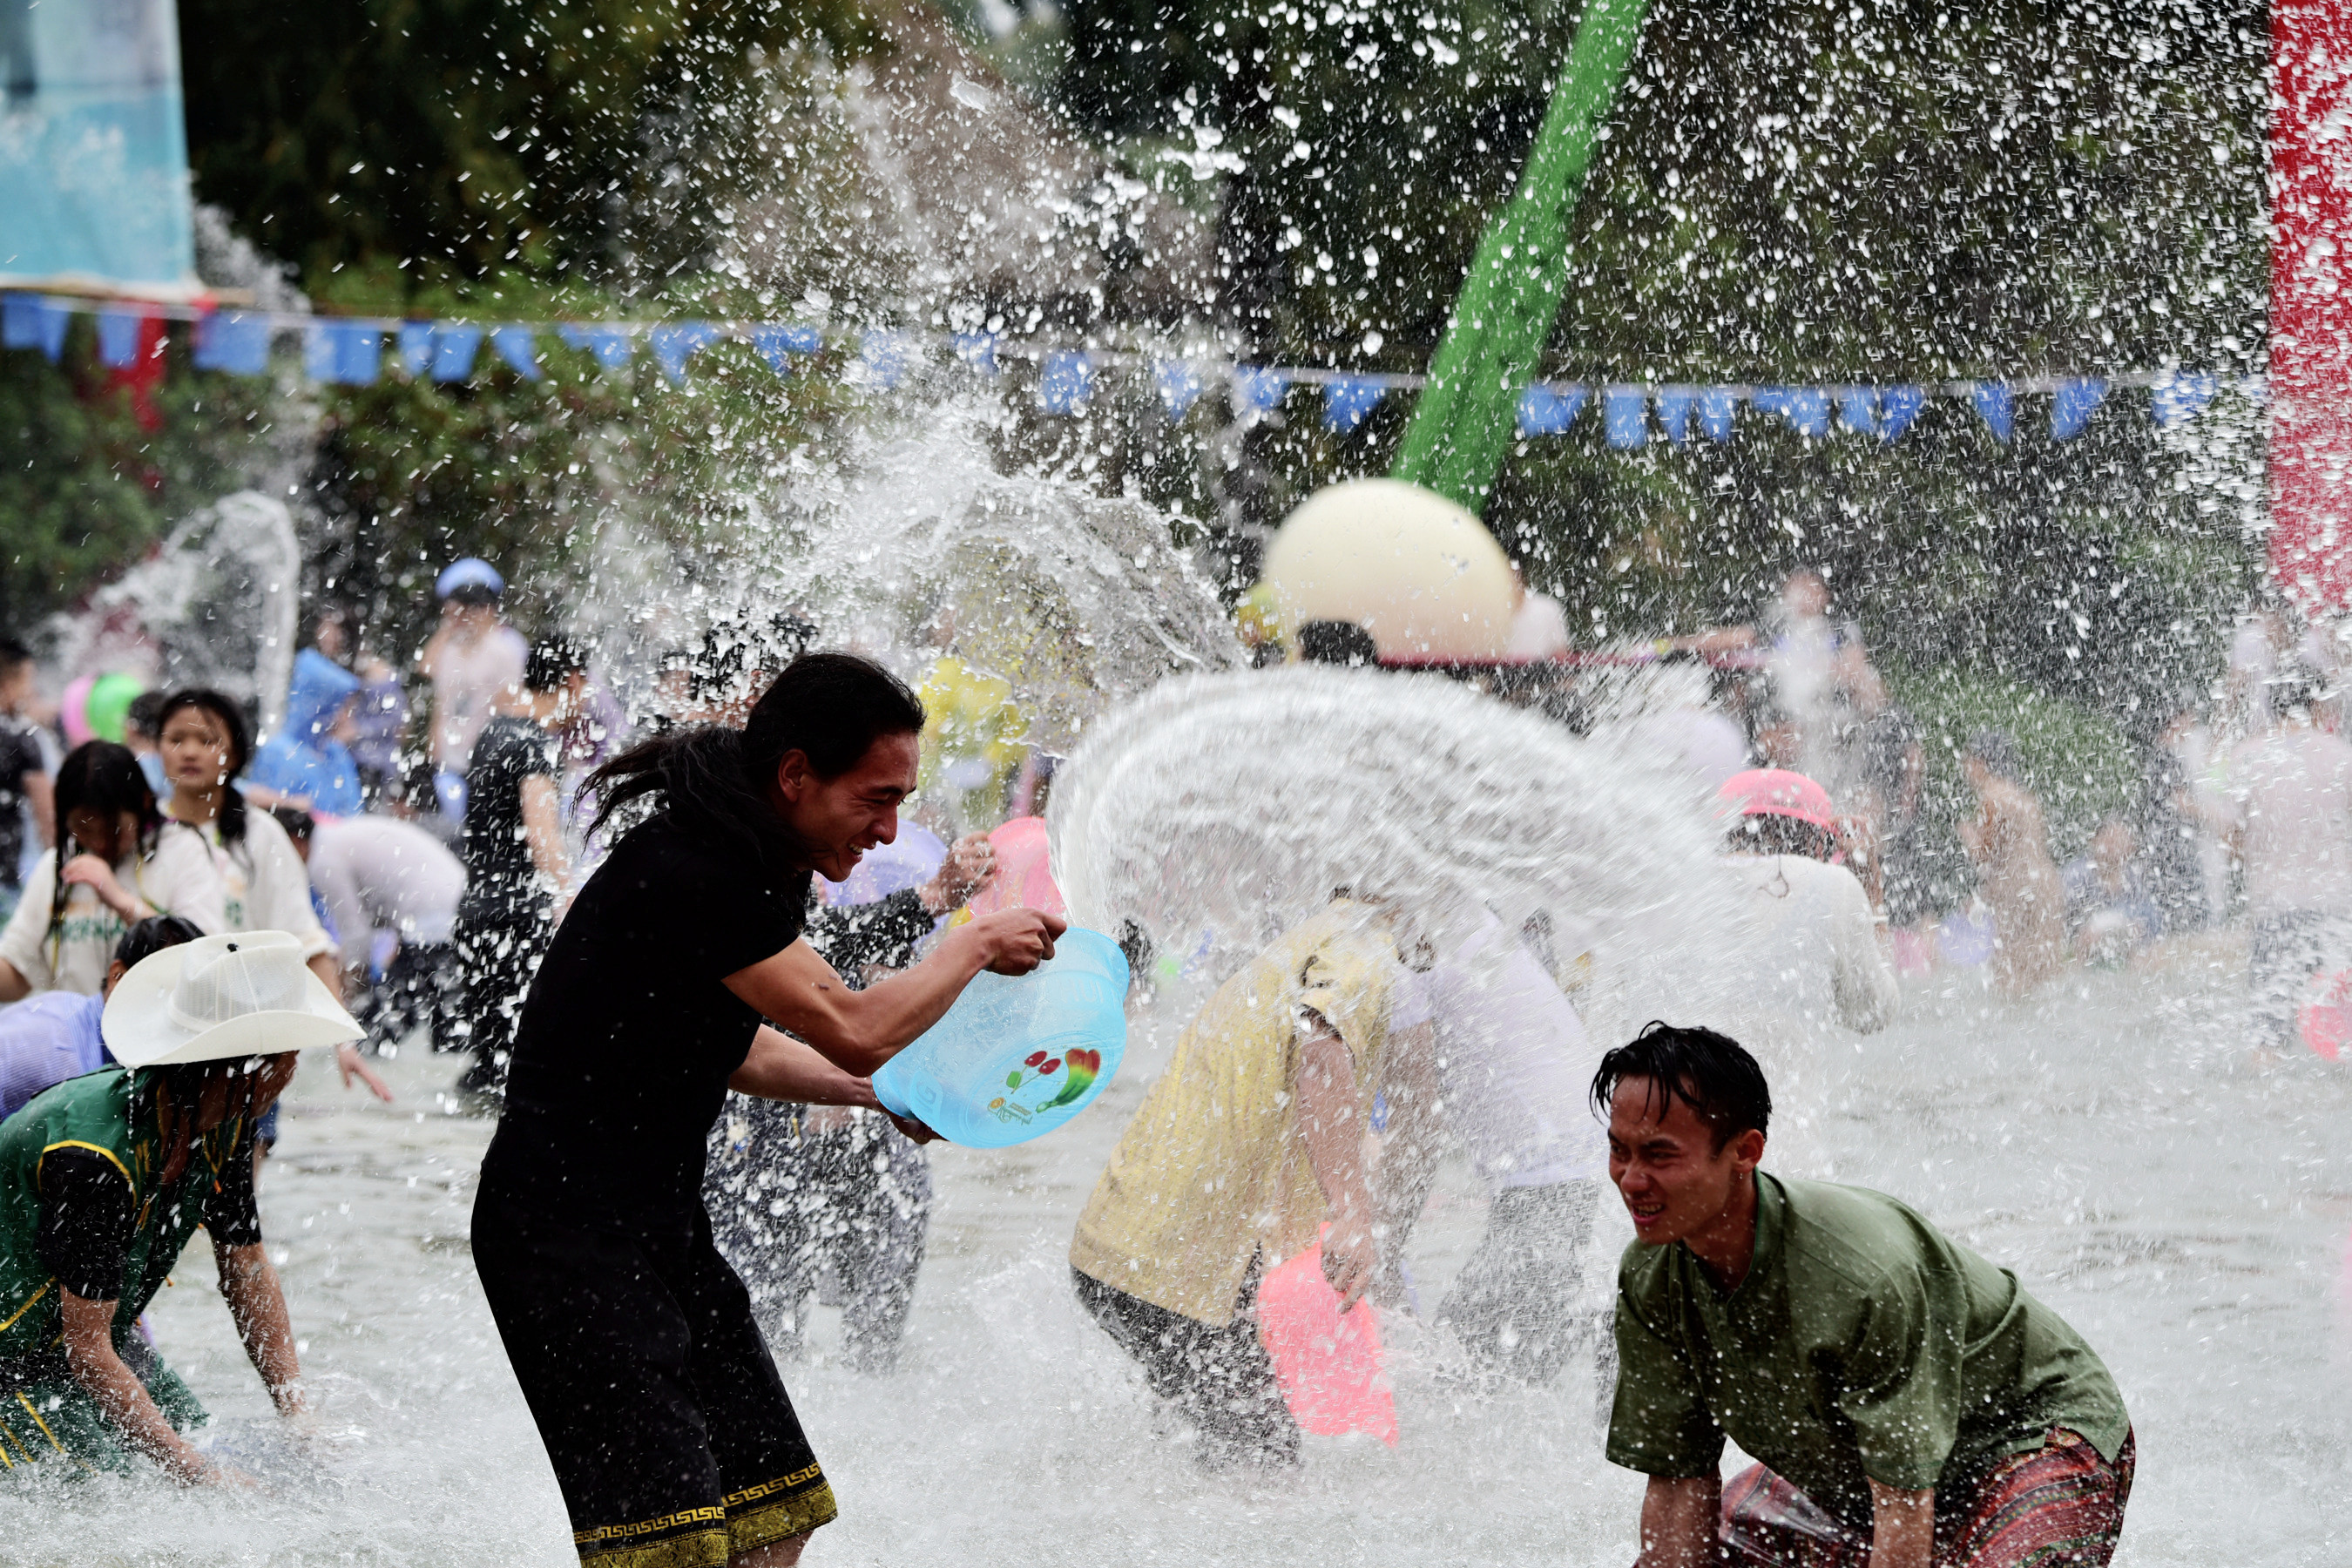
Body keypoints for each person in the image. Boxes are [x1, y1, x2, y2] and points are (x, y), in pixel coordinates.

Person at [470, 651, 1062, 1568]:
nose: (890, 827)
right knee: (669, 1549)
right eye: (874, 798)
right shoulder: (696, 867)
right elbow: (855, 1026)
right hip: (562, 1236)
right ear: (794, 775)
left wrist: (875, 1095)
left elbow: (733, 1046)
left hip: (660, 1225)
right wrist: (975, 940)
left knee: (779, 1510)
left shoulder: (758, 861)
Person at [1598, 1023, 2135, 1568]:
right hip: (1862, 1474)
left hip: (2028, 1438)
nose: (1632, 1180)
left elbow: (1905, 1508)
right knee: (1724, 1550)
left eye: (1660, 1156)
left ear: (1745, 1151)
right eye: (1621, 1151)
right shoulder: (1650, 1278)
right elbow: (1675, 1487)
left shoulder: (1860, 1278)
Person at [1069, 893, 1416, 1470]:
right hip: (1170, 1271)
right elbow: (1321, 1056)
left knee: (1218, 1451)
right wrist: (1352, 1214)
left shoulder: (1316, 934)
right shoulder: (1363, 943)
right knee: (1265, 1460)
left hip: (1148, 1255)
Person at [0, 930, 365, 1478]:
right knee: (125, 1497)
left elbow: (246, 1269)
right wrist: (197, 1474)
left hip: (97, 1346)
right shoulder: (96, 1153)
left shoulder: (224, 1124)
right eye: (292, 1053)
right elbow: (87, 1348)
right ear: (259, 1066)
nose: (294, 1068)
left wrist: (299, 1416)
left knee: (223, 1454)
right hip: (18, 1366)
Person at [704, 832, 994, 1374]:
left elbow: (829, 947)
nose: (883, 825)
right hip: (754, 1130)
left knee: (876, 1320)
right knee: (759, 1318)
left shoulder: (813, 869)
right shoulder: (711, 867)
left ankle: (865, 1398)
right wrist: (937, 902)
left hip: (852, 1121)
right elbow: (799, 963)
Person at [1394, 914, 1612, 1390]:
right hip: (1578, 1147)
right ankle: (1605, 1326)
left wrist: (1385, 1235)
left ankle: (1617, 1328)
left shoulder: (1411, 960)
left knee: (1464, 1366)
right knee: (1510, 1353)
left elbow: (1417, 1118)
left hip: (1549, 1166)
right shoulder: (1472, 923)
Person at [152, 689, 389, 1104]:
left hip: (247, 1046)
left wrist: (342, 1040)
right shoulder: (147, 835)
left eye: (207, 740)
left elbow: (307, 941)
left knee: (244, 1159)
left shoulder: (260, 835)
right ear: (159, 749)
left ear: (234, 753)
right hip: (159, 1039)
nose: (190, 752)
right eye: (176, 739)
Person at [449, 638, 590, 1099]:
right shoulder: (535, 744)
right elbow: (541, 832)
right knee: (523, 1066)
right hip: (518, 917)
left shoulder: (492, 734)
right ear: (572, 681)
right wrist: (569, 900)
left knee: (487, 1061)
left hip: (475, 913)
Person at [0, 741, 224, 1000]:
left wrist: (119, 899)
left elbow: (204, 958)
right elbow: (17, 972)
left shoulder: (181, 849)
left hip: (159, 1034)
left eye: (113, 830)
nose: (98, 843)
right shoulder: (59, 864)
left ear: (144, 801)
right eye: (83, 830)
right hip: (79, 1036)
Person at [2227, 668, 2352, 1050]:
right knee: (2342, 1025)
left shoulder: (2247, 756)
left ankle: (2267, 1100)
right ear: (2315, 703)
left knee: (2268, 1027)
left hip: (2273, 905)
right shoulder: (2341, 756)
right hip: (2335, 905)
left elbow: (2233, 838)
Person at [1720, 769, 1898, 1035]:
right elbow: (1875, 1011)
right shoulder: (1835, 883)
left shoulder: (1694, 885)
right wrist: (1872, 890)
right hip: (1776, 1074)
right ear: (1818, 843)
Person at [0, 915, 199, 1119]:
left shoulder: (71, 1009)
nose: (175, 1009)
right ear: (117, 976)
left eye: (188, 997)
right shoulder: (63, 1064)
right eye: (164, 989)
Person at [302, 808, 466, 1053]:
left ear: (293, 840)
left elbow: (357, 936)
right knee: (445, 1014)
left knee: (375, 1036)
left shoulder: (322, 858)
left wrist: (341, 1004)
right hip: (454, 898)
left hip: (434, 912)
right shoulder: (335, 837)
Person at [1957, 732, 2065, 998]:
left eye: (1968, 761)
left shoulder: (1992, 798)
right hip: (2046, 885)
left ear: (1981, 762)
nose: (1965, 769)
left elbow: (1985, 854)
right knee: (2045, 970)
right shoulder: (2023, 797)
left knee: (2009, 972)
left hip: (2015, 890)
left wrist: (1967, 833)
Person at [418, 558, 527, 818]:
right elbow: (436, 691)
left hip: (484, 760)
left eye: (467, 608)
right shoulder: (450, 648)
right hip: (450, 761)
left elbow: (512, 707)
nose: (460, 617)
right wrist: (431, 759)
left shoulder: (507, 648)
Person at [245, 648, 365, 817]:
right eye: (344, 708)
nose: (348, 717)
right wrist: (286, 803)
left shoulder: (336, 754)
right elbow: (250, 802)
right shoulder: (280, 752)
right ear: (322, 707)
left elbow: (354, 815)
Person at [2061, 818, 2164, 965]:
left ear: (2132, 847)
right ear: (2094, 841)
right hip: (2079, 949)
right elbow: (2058, 914)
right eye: (2109, 839)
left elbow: (2152, 918)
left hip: (2123, 952)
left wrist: (2130, 926)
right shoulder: (2076, 876)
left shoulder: (2133, 878)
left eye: (2120, 840)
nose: (2114, 846)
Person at [0, 638, 53, 918]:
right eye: (27, 681)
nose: (29, 691)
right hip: (5, 881)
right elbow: (46, 815)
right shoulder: (21, 736)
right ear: (7, 686)